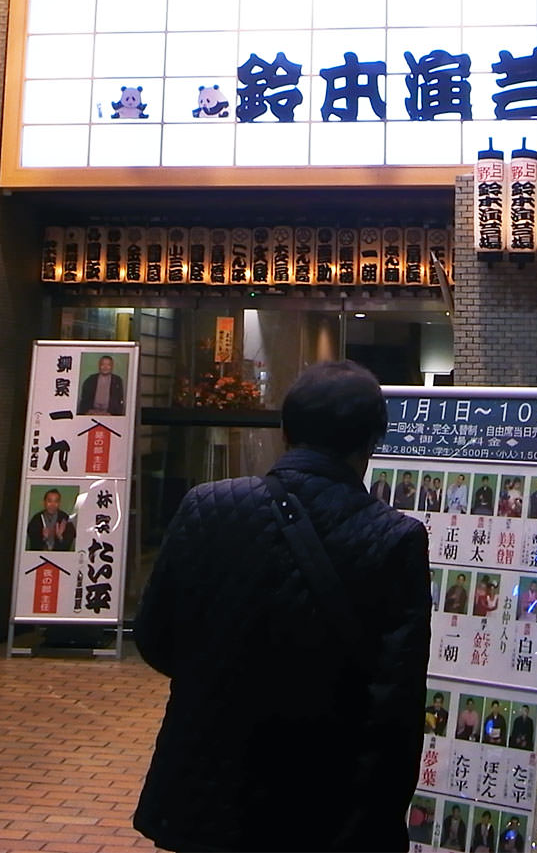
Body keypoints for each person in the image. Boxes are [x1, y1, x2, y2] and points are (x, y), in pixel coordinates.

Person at [133, 360, 430, 852]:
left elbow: (155, 637)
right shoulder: (395, 538)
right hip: (319, 802)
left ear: (285, 428)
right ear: (373, 439)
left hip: (206, 790)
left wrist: (220, 680)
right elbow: (395, 702)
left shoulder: (207, 505)